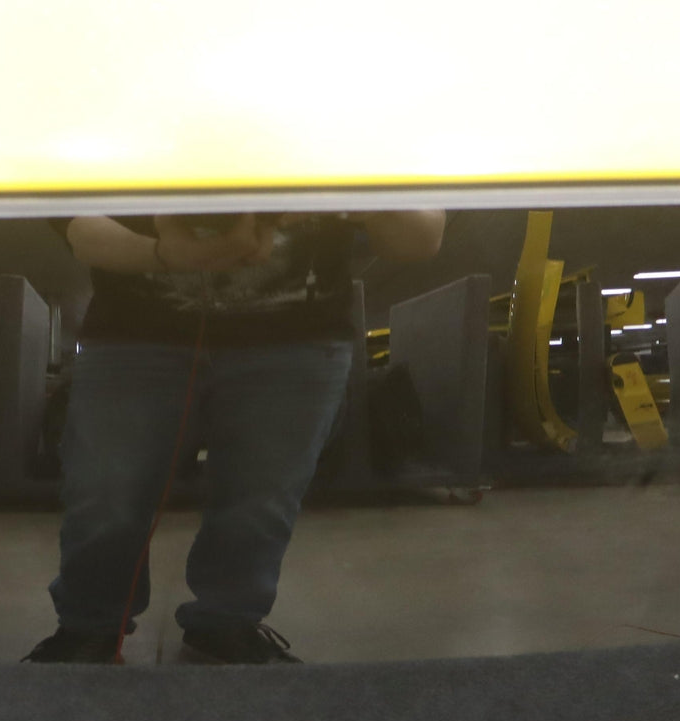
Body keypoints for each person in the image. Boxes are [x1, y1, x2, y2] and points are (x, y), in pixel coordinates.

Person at [24, 210, 447, 665]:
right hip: (140, 336)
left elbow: (421, 237)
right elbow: (81, 227)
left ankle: (223, 622)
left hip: (295, 337)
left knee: (262, 497)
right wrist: (165, 254)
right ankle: (94, 625)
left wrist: (341, 185)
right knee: (105, 491)